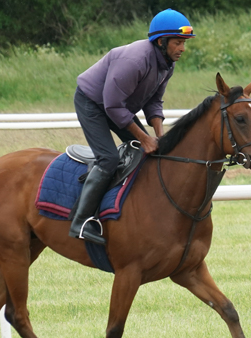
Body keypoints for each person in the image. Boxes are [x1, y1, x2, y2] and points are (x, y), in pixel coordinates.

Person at [69, 8, 196, 245]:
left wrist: (160, 136)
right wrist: (145, 138)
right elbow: (113, 107)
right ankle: (81, 220)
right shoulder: (135, 60)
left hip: (117, 105)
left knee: (146, 152)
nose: (182, 49)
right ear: (162, 41)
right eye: (178, 42)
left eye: (184, 43)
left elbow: (154, 102)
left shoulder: (167, 63)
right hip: (92, 103)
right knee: (108, 159)